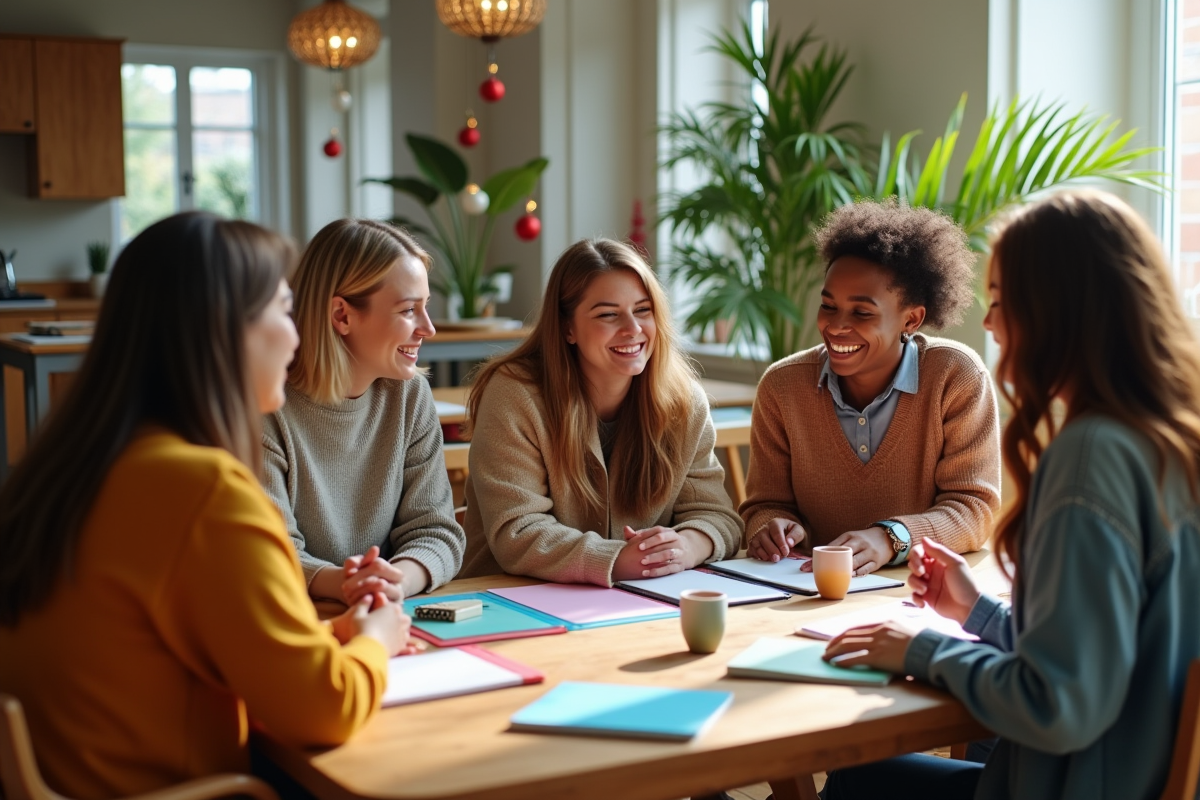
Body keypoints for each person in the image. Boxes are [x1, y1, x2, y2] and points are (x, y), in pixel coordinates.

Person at [0, 212, 415, 799]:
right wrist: (376, 639)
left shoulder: (66, 466)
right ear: (224, 331)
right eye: (281, 310)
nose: (297, 335)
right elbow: (326, 708)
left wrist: (339, 632)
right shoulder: (202, 491)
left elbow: (184, 634)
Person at [820, 190, 1200, 800]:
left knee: (857, 782)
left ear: (1059, 310)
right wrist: (980, 614)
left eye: (999, 301)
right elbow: (1100, 651)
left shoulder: (1091, 458)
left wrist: (924, 650)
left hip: (1079, 784)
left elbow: (1059, 704)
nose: (989, 323)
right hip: (1137, 774)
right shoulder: (1170, 440)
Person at [459, 238, 743, 584]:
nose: (633, 329)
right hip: (509, 599)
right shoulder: (515, 396)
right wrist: (619, 559)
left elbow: (717, 515)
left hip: (635, 603)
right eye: (608, 314)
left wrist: (685, 546)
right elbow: (518, 533)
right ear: (568, 328)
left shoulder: (685, 402)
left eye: (643, 310)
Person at [742, 200, 1000, 575]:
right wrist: (771, 527)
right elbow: (764, 504)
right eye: (828, 306)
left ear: (911, 319)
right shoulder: (782, 387)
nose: (836, 326)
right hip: (809, 589)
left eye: (862, 313)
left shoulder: (955, 376)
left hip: (917, 593)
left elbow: (975, 509)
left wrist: (890, 538)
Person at [263, 218, 465, 605]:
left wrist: (397, 581)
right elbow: (270, 552)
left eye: (426, 307)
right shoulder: (266, 404)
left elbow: (437, 531)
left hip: (385, 610)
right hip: (297, 615)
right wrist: (351, 584)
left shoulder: (409, 395)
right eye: (409, 310)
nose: (429, 328)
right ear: (342, 315)